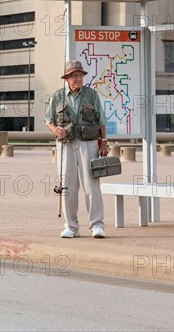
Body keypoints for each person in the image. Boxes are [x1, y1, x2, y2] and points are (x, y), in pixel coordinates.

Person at [45, 60, 108, 238]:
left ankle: (97, 225)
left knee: (92, 185)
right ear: (67, 78)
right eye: (74, 75)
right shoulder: (57, 96)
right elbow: (48, 119)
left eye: (80, 75)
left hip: (88, 143)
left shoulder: (92, 95)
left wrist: (103, 142)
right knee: (67, 186)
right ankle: (71, 226)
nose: (78, 78)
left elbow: (101, 121)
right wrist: (54, 129)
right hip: (65, 145)